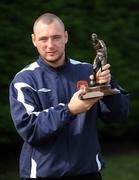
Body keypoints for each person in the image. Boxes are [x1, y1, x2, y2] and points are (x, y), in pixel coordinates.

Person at [9, 13, 130, 180]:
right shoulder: (24, 80)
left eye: (56, 37)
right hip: (43, 175)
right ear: (34, 40)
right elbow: (30, 129)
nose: (50, 45)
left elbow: (118, 114)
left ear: (65, 37)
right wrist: (69, 110)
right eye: (43, 39)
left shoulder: (89, 72)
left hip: (87, 173)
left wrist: (108, 86)